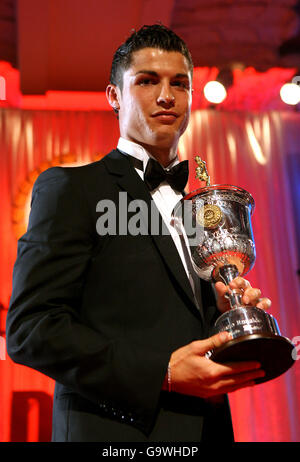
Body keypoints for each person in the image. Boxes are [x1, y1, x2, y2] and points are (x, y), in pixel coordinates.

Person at [6, 24, 270, 442]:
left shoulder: (199, 209)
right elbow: (31, 329)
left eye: (178, 83)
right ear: (114, 96)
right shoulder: (71, 190)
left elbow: (171, 321)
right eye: (147, 81)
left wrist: (223, 311)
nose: (166, 96)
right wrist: (160, 373)